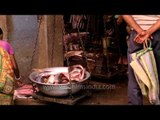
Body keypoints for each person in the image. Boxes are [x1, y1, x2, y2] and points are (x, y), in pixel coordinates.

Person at [122, 15, 160, 105]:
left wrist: (140, 31)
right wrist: (148, 32)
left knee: (135, 79)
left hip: (137, 36)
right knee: (157, 75)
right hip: (157, 34)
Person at [0, 27, 21, 105]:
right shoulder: (5, 45)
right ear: (1, 35)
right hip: (6, 82)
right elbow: (14, 65)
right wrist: (18, 77)